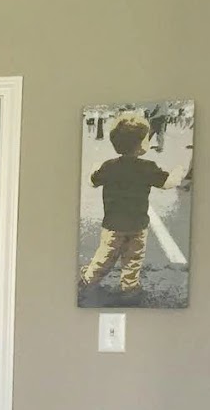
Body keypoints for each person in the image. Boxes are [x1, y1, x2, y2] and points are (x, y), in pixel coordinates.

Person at [79, 112, 189, 295]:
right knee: (133, 258)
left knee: (105, 256)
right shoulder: (147, 167)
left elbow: (92, 181)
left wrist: (94, 169)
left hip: (113, 225)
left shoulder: (109, 166)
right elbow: (168, 183)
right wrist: (178, 171)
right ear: (140, 145)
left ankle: (89, 280)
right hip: (138, 224)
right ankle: (129, 287)